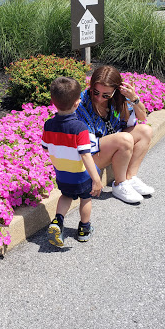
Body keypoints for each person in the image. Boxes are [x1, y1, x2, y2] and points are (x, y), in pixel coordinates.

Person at [76, 65, 154, 204]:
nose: (99, 98)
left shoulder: (118, 99)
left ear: (115, 91)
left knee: (145, 131)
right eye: (96, 92)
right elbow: (86, 145)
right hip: (89, 155)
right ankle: (120, 184)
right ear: (91, 86)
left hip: (111, 143)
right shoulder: (82, 103)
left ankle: (130, 178)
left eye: (105, 95)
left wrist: (134, 98)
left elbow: (142, 117)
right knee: (124, 139)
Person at [42, 76, 103, 247]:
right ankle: (84, 229)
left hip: (62, 174)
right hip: (81, 175)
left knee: (66, 196)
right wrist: (96, 179)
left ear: (53, 102)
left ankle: (57, 222)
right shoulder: (79, 129)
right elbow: (85, 155)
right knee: (86, 199)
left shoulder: (48, 125)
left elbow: (46, 148)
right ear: (77, 103)